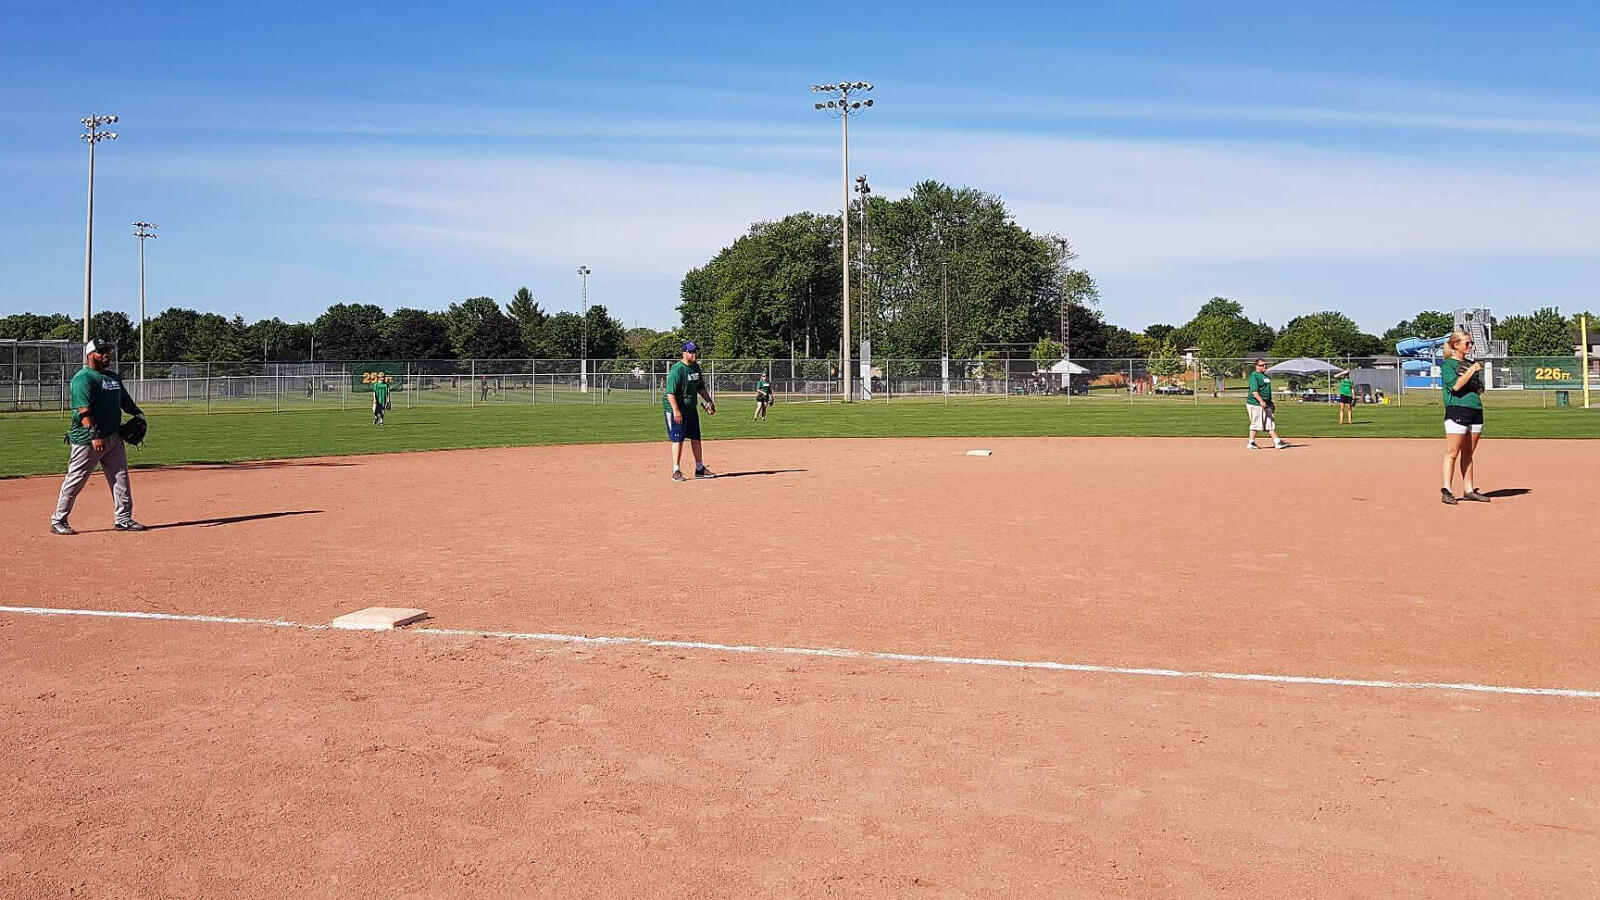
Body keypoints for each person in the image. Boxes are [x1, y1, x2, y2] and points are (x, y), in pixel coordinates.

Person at [51, 339, 146, 535]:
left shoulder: (113, 378)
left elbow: (125, 401)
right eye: (101, 351)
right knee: (76, 479)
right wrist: (94, 435)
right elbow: (83, 410)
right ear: (90, 355)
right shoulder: (83, 378)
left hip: (114, 436)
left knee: (120, 478)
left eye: (108, 351)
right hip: (87, 440)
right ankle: (58, 520)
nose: (106, 354)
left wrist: (139, 414)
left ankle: (123, 519)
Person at [1440, 331, 1489, 504]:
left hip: (1475, 409)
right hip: (1457, 410)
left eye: (1470, 343)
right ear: (1455, 345)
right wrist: (1471, 371)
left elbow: (1478, 389)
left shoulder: (1469, 363)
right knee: (1452, 452)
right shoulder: (1448, 365)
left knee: (1468, 453)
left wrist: (1478, 382)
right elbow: (1455, 386)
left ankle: (1469, 490)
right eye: (1466, 343)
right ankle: (1447, 490)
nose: (1470, 346)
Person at [662, 341, 715, 482]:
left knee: (696, 437)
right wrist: (676, 411)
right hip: (675, 409)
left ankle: (699, 468)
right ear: (684, 353)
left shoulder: (696, 368)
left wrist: (709, 401)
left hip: (690, 408)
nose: (694, 354)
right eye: (691, 352)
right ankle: (676, 470)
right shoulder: (677, 370)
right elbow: (670, 393)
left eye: (695, 351)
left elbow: (700, 387)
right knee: (678, 438)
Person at [1245, 358, 1287, 450]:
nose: (1264, 366)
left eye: (1265, 364)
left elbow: (1266, 391)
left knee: (1270, 423)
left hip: (1266, 403)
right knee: (1256, 423)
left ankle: (1277, 442)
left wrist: (1270, 403)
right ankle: (1251, 442)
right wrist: (1261, 401)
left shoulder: (1264, 376)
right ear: (1256, 366)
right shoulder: (1254, 376)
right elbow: (1254, 391)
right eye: (1262, 365)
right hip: (1255, 404)